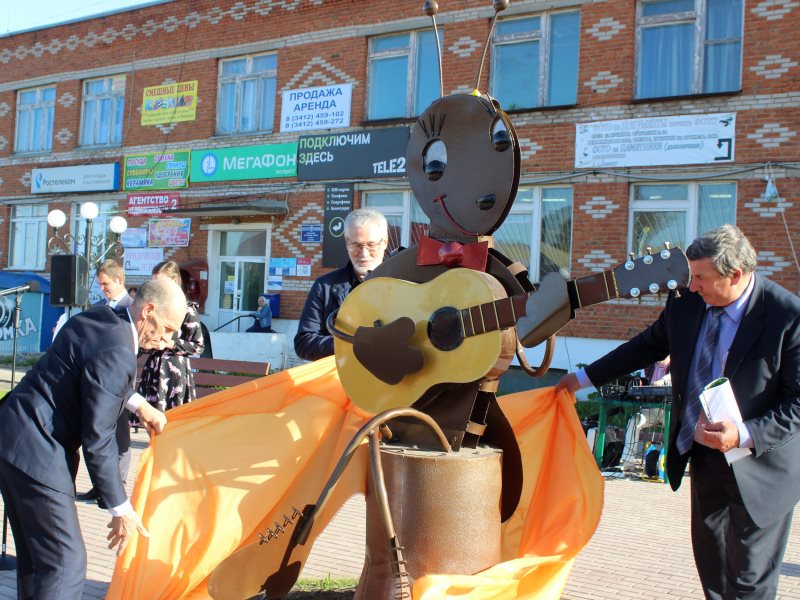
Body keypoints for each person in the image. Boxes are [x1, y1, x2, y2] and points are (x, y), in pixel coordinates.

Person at [557, 225, 800, 599]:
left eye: (701, 277)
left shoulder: (788, 316)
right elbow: (645, 347)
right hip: (704, 458)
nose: (692, 285)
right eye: (690, 275)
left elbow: (797, 404)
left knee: (749, 583)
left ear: (736, 275)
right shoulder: (687, 301)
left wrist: (743, 433)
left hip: (762, 466)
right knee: (713, 575)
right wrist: (581, 379)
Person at [0, 278, 185, 599]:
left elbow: (96, 370)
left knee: (38, 559)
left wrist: (141, 406)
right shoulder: (119, 351)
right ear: (149, 310)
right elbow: (97, 438)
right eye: (167, 329)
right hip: (38, 451)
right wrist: (120, 508)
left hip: (13, 437)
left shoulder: (100, 320)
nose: (167, 341)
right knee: (64, 564)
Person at [74, 259, 134, 506]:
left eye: (106, 283)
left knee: (119, 436)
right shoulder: (99, 306)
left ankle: (115, 486)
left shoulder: (132, 307)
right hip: (99, 381)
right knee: (97, 431)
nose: (102, 289)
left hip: (121, 381)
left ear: (119, 280)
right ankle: (99, 485)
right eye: (99, 284)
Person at [294, 208, 388, 360]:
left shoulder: (404, 283)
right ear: (346, 243)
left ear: (384, 242)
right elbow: (304, 343)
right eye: (356, 245)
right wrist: (354, 343)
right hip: (340, 380)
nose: (364, 254)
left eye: (371, 245)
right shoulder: (324, 287)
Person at [138, 260, 205, 411]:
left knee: (173, 420)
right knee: (151, 420)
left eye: (159, 283)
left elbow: (198, 346)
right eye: (153, 283)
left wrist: (170, 343)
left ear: (174, 281)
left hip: (174, 373)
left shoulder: (187, 310)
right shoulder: (152, 309)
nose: (156, 289)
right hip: (154, 371)